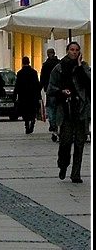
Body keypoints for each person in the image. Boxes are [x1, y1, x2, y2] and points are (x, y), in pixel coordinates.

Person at [47, 41, 90, 183]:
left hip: (81, 110)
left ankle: (76, 173)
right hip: (66, 110)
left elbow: (89, 84)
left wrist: (79, 67)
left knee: (79, 142)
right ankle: (63, 164)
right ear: (67, 51)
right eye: (72, 49)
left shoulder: (84, 67)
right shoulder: (59, 68)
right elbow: (50, 89)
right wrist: (62, 92)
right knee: (65, 141)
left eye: (77, 50)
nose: (74, 52)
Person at [14, 56, 41, 134]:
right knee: (32, 110)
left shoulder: (19, 73)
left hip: (23, 95)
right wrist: (39, 95)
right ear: (29, 62)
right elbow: (37, 84)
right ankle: (32, 121)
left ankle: (26, 124)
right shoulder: (34, 72)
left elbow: (17, 85)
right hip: (32, 95)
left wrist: (15, 95)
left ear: (22, 62)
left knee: (25, 111)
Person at [40, 48, 60, 141]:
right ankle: (57, 123)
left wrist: (43, 86)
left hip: (49, 89)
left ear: (48, 54)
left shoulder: (46, 65)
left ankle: (53, 124)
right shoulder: (59, 63)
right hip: (59, 89)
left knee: (50, 107)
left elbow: (42, 77)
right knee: (57, 107)